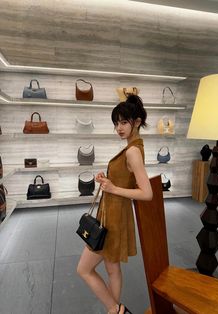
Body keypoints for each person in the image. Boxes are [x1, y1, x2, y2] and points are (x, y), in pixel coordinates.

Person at [77, 95, 153, 314]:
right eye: (116, 123)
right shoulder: (133, 147)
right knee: (112, 270)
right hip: (113, 215)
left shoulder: (132, 151)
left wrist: (113, 188)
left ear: (136, 122)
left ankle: (116, 309)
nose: (118, 128)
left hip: (113, 218)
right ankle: (115, 311)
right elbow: (125, 180)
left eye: (123, 122)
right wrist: (107, 181)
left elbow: (146, 193)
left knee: (83, 269)